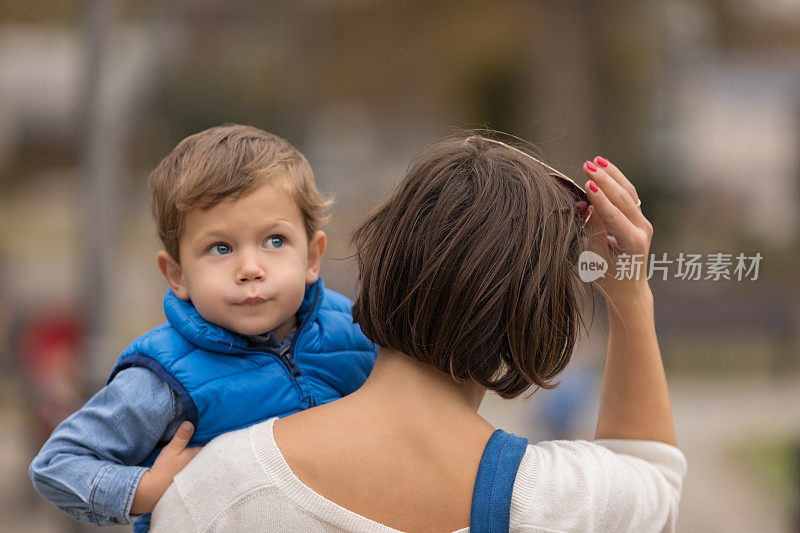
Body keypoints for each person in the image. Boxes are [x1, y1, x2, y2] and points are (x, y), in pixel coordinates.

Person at [150, 134, 686, 532]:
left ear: (384, 258)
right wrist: (628, 293)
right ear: (535, 320)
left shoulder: (216, 488)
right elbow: (654, 478)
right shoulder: (552, 499)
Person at [28, 124, 377, 532]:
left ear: (313, 257)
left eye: (275, 241)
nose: (250, 269)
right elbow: (56, 465)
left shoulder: (357, 331)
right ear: (177, 274)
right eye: (221, 248)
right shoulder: (165, 376)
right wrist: (147, 487)